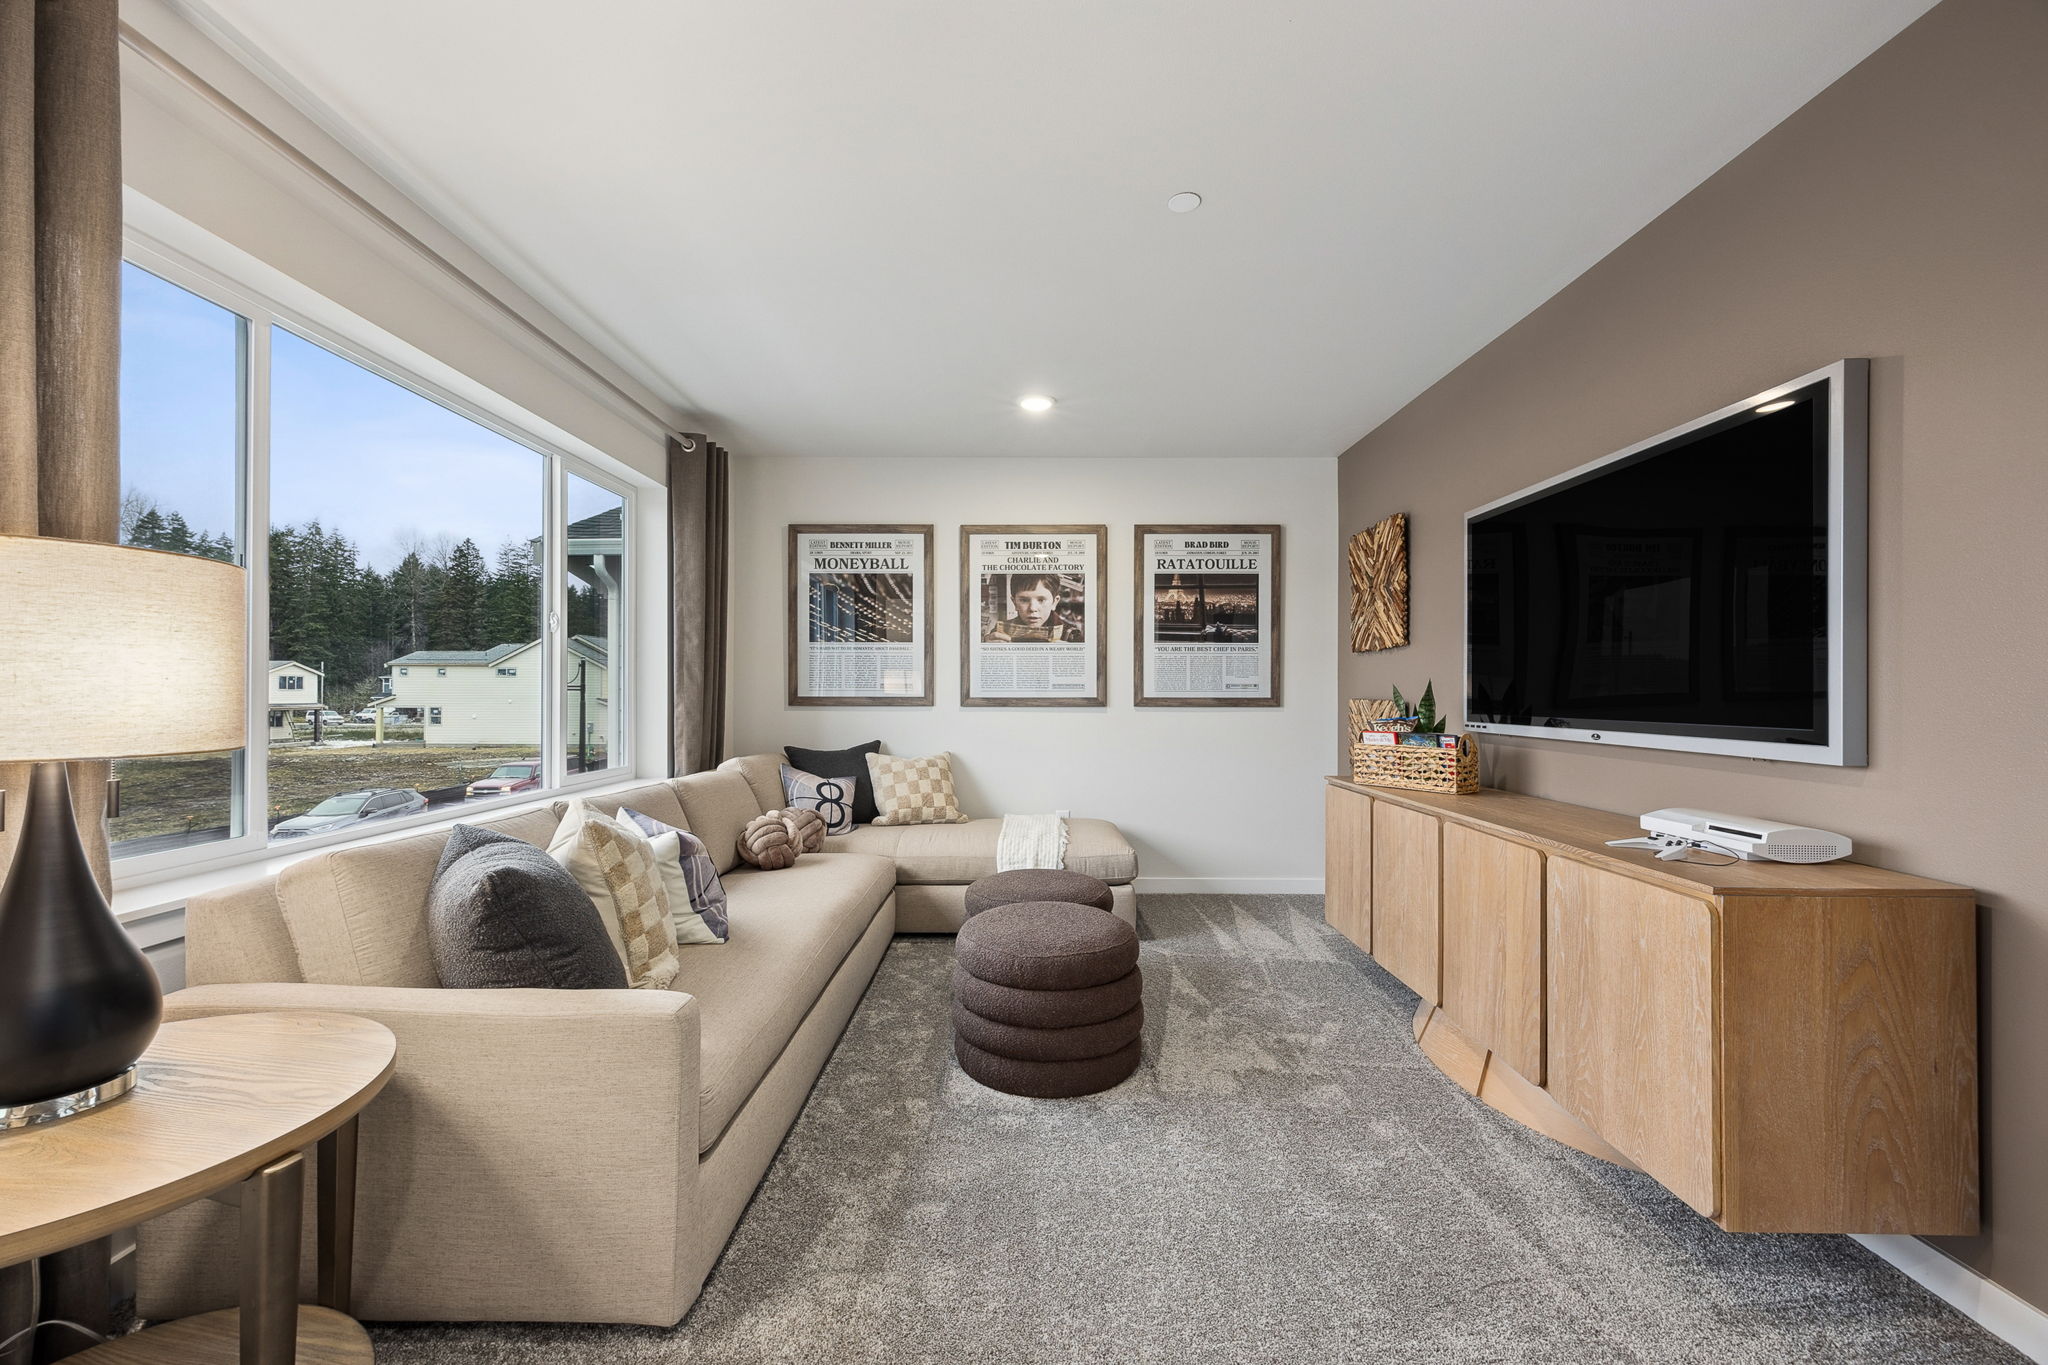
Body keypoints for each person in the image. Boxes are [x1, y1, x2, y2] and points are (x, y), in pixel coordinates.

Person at [983, 573, 1083, 642]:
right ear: (1014, 603)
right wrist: (986, 650)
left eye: (1041, 600)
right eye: (1024, 600)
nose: (1032, 608)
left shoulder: (1073, 636)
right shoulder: (999, 632)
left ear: (1054, 602)